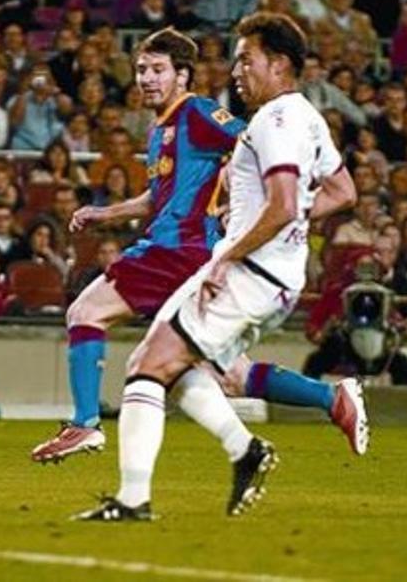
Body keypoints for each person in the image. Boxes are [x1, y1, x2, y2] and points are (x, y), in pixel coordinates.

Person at [32, 27, 365, 466]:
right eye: (140, 70)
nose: (146, 78)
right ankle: (332, 398)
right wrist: (104, 214)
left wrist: (244, 197)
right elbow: (159, 198)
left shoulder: (198, 114)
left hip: (177, 251)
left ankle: (86, 425)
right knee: (230, 374)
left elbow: (257, 142)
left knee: (85, 313)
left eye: (157, 70)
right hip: (185, 255)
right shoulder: (162, 128)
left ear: (183, 75)